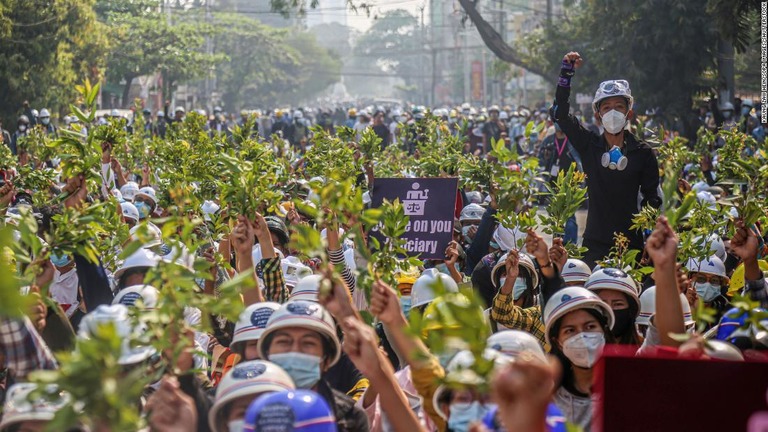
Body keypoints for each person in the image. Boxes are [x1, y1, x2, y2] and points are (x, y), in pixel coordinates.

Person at [550, 51, 661, 268]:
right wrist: (566, 74)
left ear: (629, 113)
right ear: (598, 115)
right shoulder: (589, 145)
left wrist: (649, 233)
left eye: (619, 107)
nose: (613, 112)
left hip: (632, 244)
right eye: (606, 107)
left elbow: (652, 198)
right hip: (595, 243)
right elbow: (560, 115)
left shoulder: (643, 152)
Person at [257, 301, 369, 431]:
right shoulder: (243, 407)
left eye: (308, 343)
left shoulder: (351, 419)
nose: (295, 351)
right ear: (267, 354)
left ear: (327, 360)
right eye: (283, 342)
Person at [543, 286, 615, 430]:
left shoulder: (626, 387)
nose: (582, 336)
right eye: (570, 331)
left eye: (590, 327)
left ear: (604, 330)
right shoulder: (547, 396)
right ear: (558, 342)